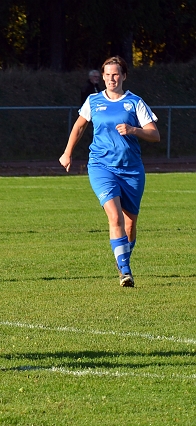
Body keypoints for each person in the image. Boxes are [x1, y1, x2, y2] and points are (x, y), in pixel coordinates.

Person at [59, 56, 160, 288]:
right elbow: (79, 126)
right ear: (102, 77)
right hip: (101, 166)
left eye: (116, 74)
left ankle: (123, 256)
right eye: (107, 75)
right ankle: (125, 271)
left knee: (130, 224)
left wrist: (134, 129)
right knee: (114, 216)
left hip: (132, 169)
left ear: (123, 76)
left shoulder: (135, 102)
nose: (111, 79)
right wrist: (67, 152)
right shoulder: (93, 101)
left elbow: (155, 135)